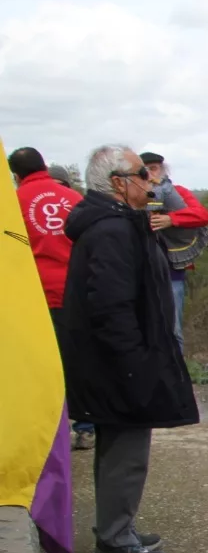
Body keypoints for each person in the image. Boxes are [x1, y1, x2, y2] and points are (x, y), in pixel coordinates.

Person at [60, 145, 198, 553]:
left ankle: (117, 528)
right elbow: (111, 307)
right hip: (119, 365)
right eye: (142, 173)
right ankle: (115, 542)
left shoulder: (117, 224)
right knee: (125, 454)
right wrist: (135, 364)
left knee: (120, 450)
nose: (151, 180)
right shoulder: (111, 231)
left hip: (120, 361)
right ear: (119, 182)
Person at [11, 147, 92, 450]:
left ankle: (48, 433)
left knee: (42, 368)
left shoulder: (15, 202)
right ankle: (85, 426)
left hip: (39, 295)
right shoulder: (74, 199)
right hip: (79, 291)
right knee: (78, 361)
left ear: (17, 175)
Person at [139, 151, 208, 348]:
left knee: (174, 329)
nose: (149, 173)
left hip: (172, 272)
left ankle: (177, 376)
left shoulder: (177, 191)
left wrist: (172, 219)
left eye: (153, 169)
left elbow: (202, 215)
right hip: (140, 271)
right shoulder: (135, 196)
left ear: (162, 170)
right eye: (144, 170)